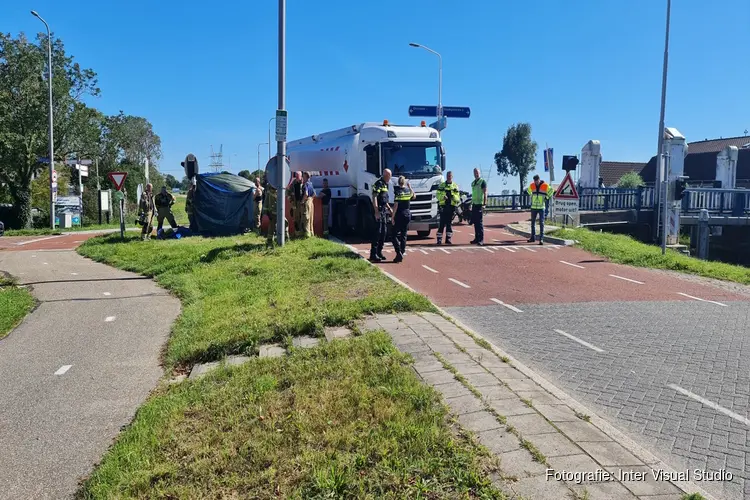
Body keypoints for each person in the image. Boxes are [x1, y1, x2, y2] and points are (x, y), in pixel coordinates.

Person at [370, 168, 392, 262]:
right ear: (385, 175)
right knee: (377, 232)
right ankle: (373, 254)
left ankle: (379, 252)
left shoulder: (385, 185)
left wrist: (389, 208)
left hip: (384, 211)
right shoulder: (378, 183)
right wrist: (376, 211)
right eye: (388, 176)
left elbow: (384, 199)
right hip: (378, 210)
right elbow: (374, 197)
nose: (389, 178)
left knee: (384, 232)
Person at [391, 176, 415, 263]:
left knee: (393, 234)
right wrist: (410, 187)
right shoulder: (408, 191)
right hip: (407, 214)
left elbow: (396, 205)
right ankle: (402, 251)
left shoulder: (398, 192)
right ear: (404, 182)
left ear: (398, 182)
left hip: (399, 214)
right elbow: (414, 196)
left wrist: (392, 217)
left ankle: (398, 252)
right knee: (404, 234)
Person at [527, 174, 554, 245]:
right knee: (532, 223)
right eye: (535, 181)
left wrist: (546, 197)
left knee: (541, 223)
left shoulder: (545, 185)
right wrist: (531, 196)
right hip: (533, 207)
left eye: (537, 181)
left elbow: (552, 191)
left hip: (541, 207)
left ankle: (541, 239)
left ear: (539, 179)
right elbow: (528, 191)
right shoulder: (532, 185)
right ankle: (532, 237)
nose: (536, 182)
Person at [436, 171, 460, 245]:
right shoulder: (442, 185)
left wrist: (453, 197)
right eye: (448, 175)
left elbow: (458, 198)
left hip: (451, 207)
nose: (449, 177)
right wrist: (443, 197)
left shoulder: (455, 186)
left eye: (450, 176)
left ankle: (448, 239)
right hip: (443, 207)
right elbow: (437, 195)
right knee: (442, 224)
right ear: (446, 176)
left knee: (449, 224)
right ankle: (439, 239)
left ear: (452, 177)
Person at [470, 168, 488, 246]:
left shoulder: (482, 182)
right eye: (474, 172)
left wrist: (484, 204)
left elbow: (485, 192)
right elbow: (473, 194)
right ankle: (476, 238)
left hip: (480, 204)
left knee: (479, 223)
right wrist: (471, 204)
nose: (476, 174)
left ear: (479, 173)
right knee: (475, 222)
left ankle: (481, 239)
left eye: (477, 172)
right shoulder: (473, 183)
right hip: (474, 204)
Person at [287, 171, 304, 237]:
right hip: (295, 203)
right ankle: (297, 233)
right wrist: (290, 200)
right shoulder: (293, 184)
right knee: (295, 218)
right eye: (296, 176)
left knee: (302, 218)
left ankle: (302, 233)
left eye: (298, 176)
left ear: (301, 176)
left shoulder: (304, 183)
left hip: (301, 203)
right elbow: (288, 192)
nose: (296, 177)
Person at [301, 172, 315, 238]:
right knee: (311, 218)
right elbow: (314, 194)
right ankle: (312, 233)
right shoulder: (311, 184)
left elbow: (306, 194)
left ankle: (307, 235)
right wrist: (311, 199)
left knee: (306, 218)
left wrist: (302, 201)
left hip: (307, 202)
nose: (302, 178)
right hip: (311, 202)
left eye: (303, 176)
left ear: (306, 176)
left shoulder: (306, 184)